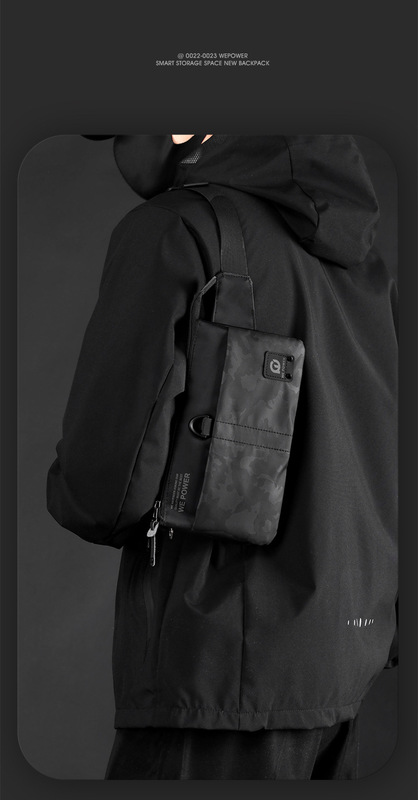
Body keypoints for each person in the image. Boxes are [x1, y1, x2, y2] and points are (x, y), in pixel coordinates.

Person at [47, 134, 398, 779]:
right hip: (347, 671)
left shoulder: (173, 230)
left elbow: (105, 491)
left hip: (215, 671)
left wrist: (67, 489)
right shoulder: (366, 269)